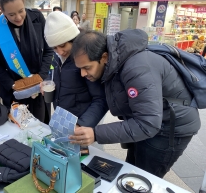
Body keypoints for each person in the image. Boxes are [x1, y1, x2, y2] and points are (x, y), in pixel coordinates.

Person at [69, 29, 200, 178]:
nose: (83, 74)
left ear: (104, 57)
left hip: (170, 129)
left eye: (87, 68)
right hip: (148, 122)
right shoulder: (113, 63)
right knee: (132, 171)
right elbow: (104, 100)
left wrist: (96, 134)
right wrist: (83, 124)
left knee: (143, 179)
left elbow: (147, 123)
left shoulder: (137, 68)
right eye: (80, 68)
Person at [0, 0, 54, 123]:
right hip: (14, 93)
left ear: (23, 3)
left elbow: (48, 49)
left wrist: (40, 76)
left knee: (40, 129)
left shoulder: (37, 18)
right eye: (11, 15)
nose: (18, 17)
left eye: (21, 11)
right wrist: (11, 85)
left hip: (38, 89)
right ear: (2, 10)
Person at [43, 11, 107, 127]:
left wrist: (82, 125)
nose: (60, 52)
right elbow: (53, 73)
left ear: (73, 39)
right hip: (63, 119)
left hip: (84, 123)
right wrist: (47, 81)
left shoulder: (85, 60)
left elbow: (100, 99)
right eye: (54, 48)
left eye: (63, 45)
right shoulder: (56, 57)